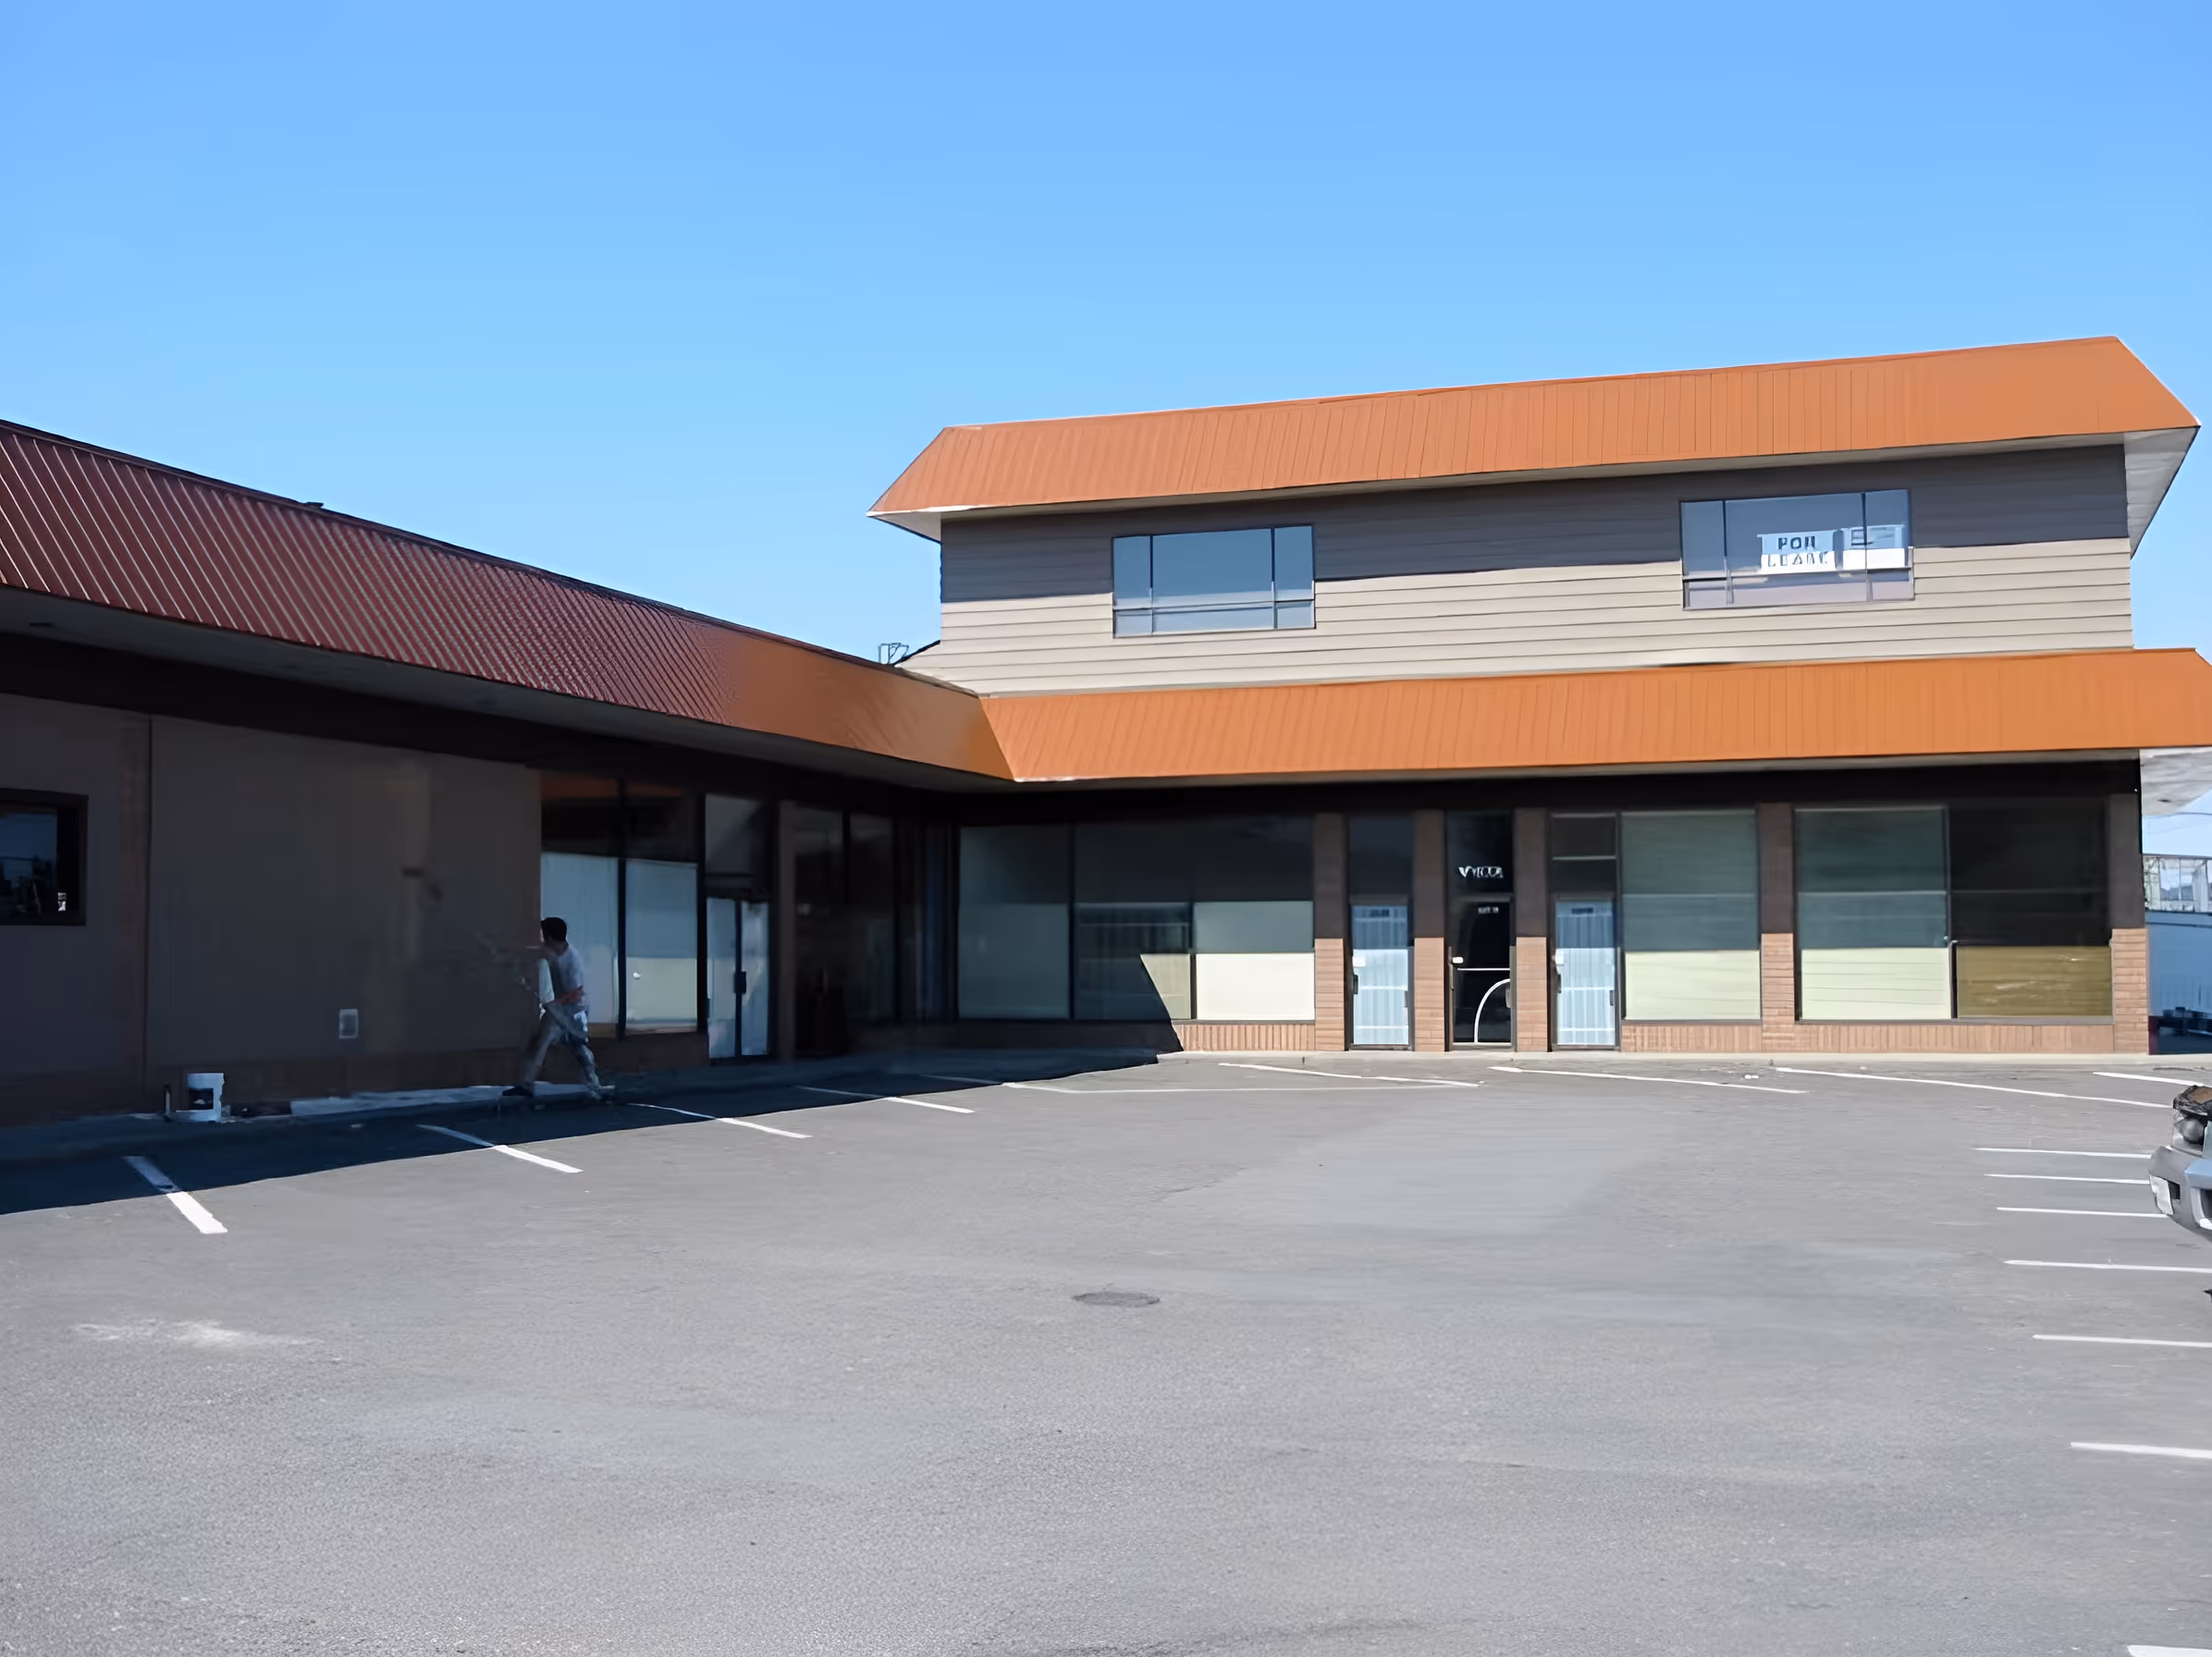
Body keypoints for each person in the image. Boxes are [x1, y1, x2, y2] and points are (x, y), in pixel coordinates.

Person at [506, 916, 608, 1099]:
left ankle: (593, 1083)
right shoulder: (552, 951)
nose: (542, 939)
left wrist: (555, 1003)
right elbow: (536, 953)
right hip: (558, 1010)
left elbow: (577, 992)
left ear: (550, 937)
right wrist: (514, 955)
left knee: (579, 1047)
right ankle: (526, 1085)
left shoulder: (572, 959)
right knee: (539, 1044)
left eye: (544, 935)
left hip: (576, 1010)